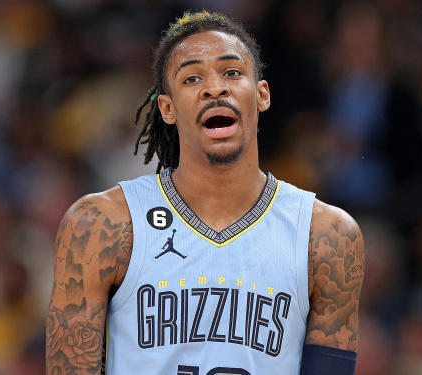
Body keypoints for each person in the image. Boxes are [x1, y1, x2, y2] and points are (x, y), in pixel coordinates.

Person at [46, 11, 364, 375]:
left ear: (262, 95)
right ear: (167, 108)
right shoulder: (101, 224)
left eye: (232, 72)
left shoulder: (328, 236)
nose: (215, 88)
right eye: (192, 78)